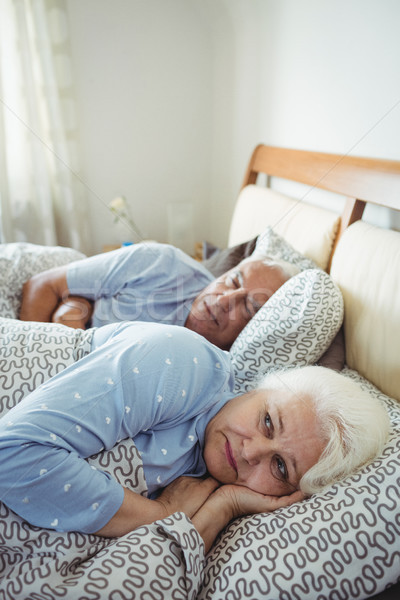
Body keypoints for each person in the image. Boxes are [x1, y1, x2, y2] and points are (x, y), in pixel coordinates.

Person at [0, 321, 389, 553]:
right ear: (260, 389)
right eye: (268, 422)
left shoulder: (205, 476)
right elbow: (12, 453)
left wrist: (228, 504)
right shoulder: (185, 365)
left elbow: (153, 566)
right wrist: (160, 516)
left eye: (280, 466)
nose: (250, 451)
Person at [19, 241, 299, 349]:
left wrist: (70, 317)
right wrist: (66, 321)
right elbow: (41, 285)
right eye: (232, 280)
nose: (224, 300)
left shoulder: (209, 375)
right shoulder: (160, 263)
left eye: (249, 307)